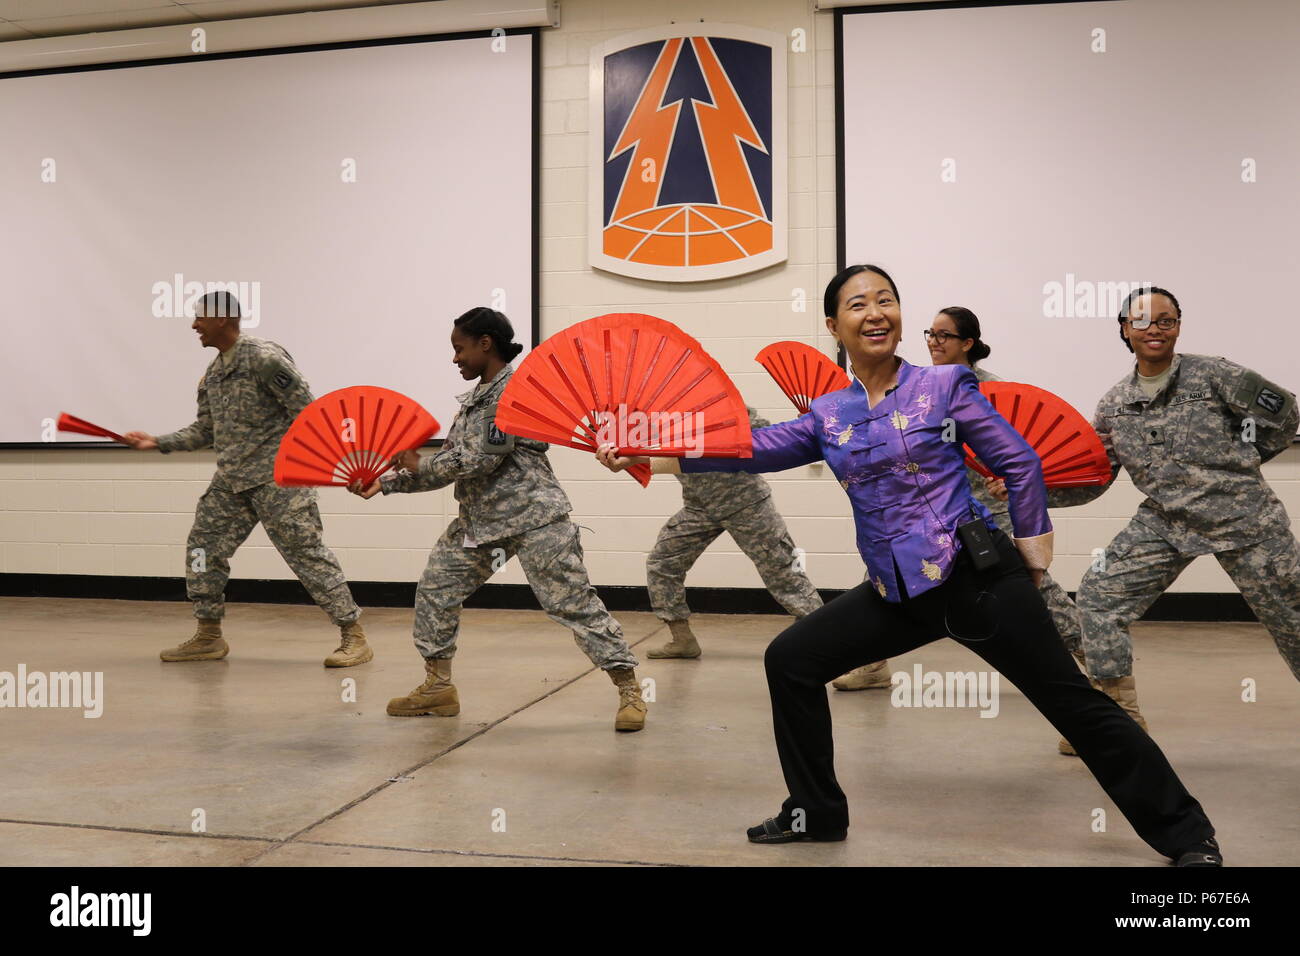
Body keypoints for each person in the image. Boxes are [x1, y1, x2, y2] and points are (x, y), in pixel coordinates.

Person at [598, 266, 1221, 866]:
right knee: (790, 660)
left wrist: (1031, 559)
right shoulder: (829, 414)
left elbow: (1020, 463)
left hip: (977, 578)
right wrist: (651, 454)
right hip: (896, 591)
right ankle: (814, 812)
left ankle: (1188, 836)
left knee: (1075, 706)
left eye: (886, 300)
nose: (876, 313)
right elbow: (751, 449)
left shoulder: (944, 386)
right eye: (858, 304)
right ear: (833, 326)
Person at [349, 307, 647, 732]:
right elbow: (452, 463)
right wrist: (387, 483)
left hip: (535, 520)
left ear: (485, 344)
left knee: (572, 605)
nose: (455, 359)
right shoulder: (474, 401)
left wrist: (417, 463)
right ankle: (438, 688)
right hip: (480, 524)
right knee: (436, 589)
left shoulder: (515, 393)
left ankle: (629, 690)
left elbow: (475, 462)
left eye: (460, 348)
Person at [1066, 286, 1299, 730]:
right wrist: (1026, 490)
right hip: (1167, 522)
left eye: (1165, 320)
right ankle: (1117, 723)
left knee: (1295, 620)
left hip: (1244, 518)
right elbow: (1093, 477)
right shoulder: (1115, 405)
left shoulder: (1216, 374)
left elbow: (1285, 414)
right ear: (1123, 329)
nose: (1154, 329)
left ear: (1178, 325)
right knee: (1098, 596)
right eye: (1141, 321)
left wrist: (1244, 461)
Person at [123, 292, 369, 667]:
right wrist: (157, 442)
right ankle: (208, 635)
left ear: (223, 319)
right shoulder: (214, 373)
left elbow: (308, 412)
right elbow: (207, 431)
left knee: (307, 554)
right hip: (232, 480)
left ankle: (354, 635)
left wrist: (324, 462)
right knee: (203, 549)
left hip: (278, 480)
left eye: (199, 318)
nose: (194, 325)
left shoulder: (265, 359)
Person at [927, 306, 1095, 755]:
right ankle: (872, 664)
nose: (934, 341)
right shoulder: (921, 390)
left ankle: (1098, 669)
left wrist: (1004, 479)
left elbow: (1018, 457)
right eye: (930, 334)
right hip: (938, 509)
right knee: (891, 580)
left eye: (945, 335)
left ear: (968, 343)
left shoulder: (991, 392)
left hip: (990, 514)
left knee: (1039, 594)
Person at [647, 404, 891, 691]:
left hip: (747, 503)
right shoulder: (656, 419)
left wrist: (724, 433)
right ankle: (682, 638)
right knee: (662, 563)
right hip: (699, 506)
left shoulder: (719, 405)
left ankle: (841, 650)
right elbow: (645, 456)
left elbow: (764, 434)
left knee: (786, 577)